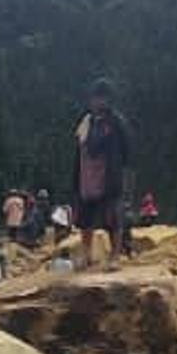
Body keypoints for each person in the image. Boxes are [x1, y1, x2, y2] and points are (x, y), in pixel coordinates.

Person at [70, 78, 132, 269]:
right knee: (84, 219)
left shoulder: (116, 123)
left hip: (109, 176)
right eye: (96, 98)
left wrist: (124, 174)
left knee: (113, 219)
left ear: (109, 100)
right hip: (86, 177)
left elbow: (127, 150)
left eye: (102, 98)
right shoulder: (86, 121)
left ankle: (115, 256)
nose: (99, 102)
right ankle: (87, 254)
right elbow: (79, 149)